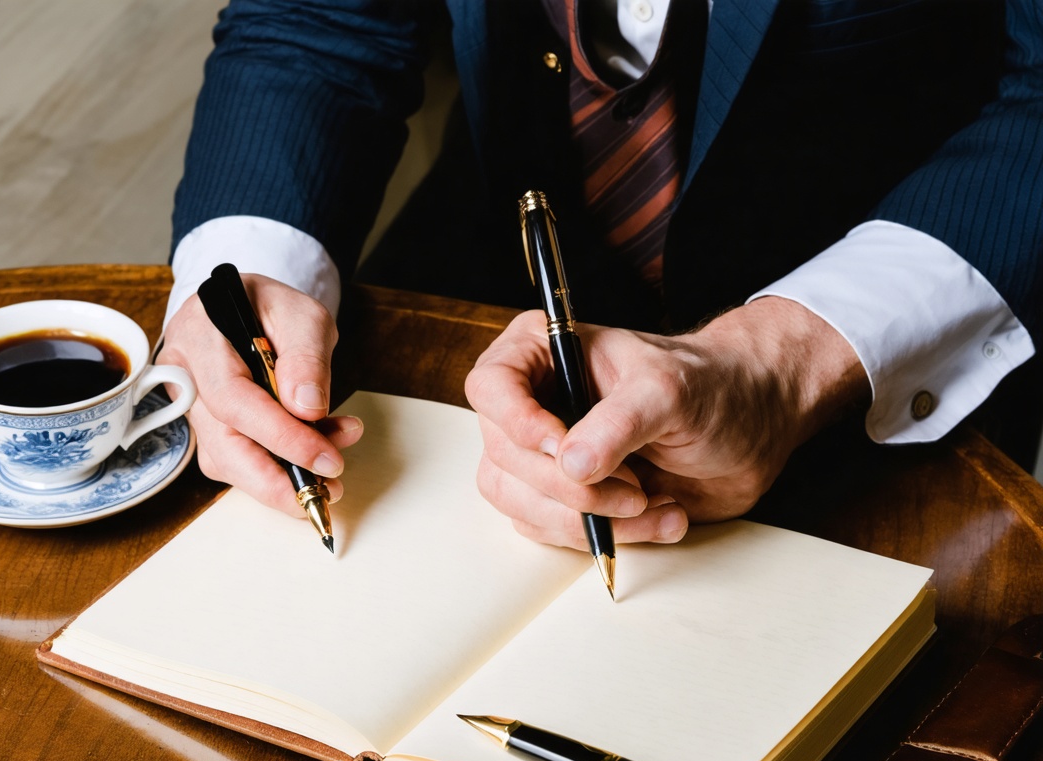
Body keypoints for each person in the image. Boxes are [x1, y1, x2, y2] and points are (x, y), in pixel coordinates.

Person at [159, 0, 1042, 552]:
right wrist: (247, 271)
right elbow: (316, 19)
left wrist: (784, 362)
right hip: (475, 290)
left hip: (882, 357)